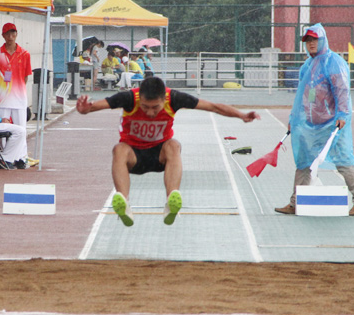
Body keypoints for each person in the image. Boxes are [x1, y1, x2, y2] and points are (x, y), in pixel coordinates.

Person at [76, 76, 260, 227]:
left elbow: (213, 106)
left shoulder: (175, 99)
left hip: (159, 155)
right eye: (145, 107)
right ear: (140, 97)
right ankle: (124, 204)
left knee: (174, 144)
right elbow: (93, 107)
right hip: (133, 155)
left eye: (155, 107)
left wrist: (241, 115)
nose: (149, 112)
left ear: (164, 99)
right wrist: (84, 110)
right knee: (118, 149)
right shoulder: (129, 98)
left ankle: (171, 201)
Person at [274, 23, 354, 216]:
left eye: (314, 39)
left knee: (343, 161)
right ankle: (296, 202)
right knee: (303, 162)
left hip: (332, 124)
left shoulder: (333, 62)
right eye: (308, 40)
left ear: (322, 40)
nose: (311, 44)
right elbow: (303, 96)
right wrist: (295, 118)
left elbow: (342, 90)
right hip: (310, 126)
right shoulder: (307, 66)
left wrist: (342, 114)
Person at [0, 23, 32, 132]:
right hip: (2, 99)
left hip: (19, 99)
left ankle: (21, 150)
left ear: (17, 34)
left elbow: (26, 77)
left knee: (21, 130)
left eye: (13, 33)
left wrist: (16, 88)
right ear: (3, 35)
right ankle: (3, 150)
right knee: (1, 131)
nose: (10, 36)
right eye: (7, 33)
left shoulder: (25, 54)